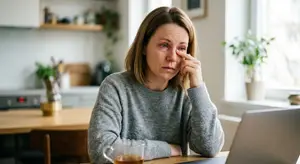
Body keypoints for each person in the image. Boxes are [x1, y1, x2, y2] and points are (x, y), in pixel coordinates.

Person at [88, 6, 224, 164]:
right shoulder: (115, 87)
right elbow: (102, 150)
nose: (172, 57)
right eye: (164, 45)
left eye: (181, 48)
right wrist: (168, 149)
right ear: (144, 46)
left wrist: (198, 87)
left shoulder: (187, 95)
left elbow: (210, 147)